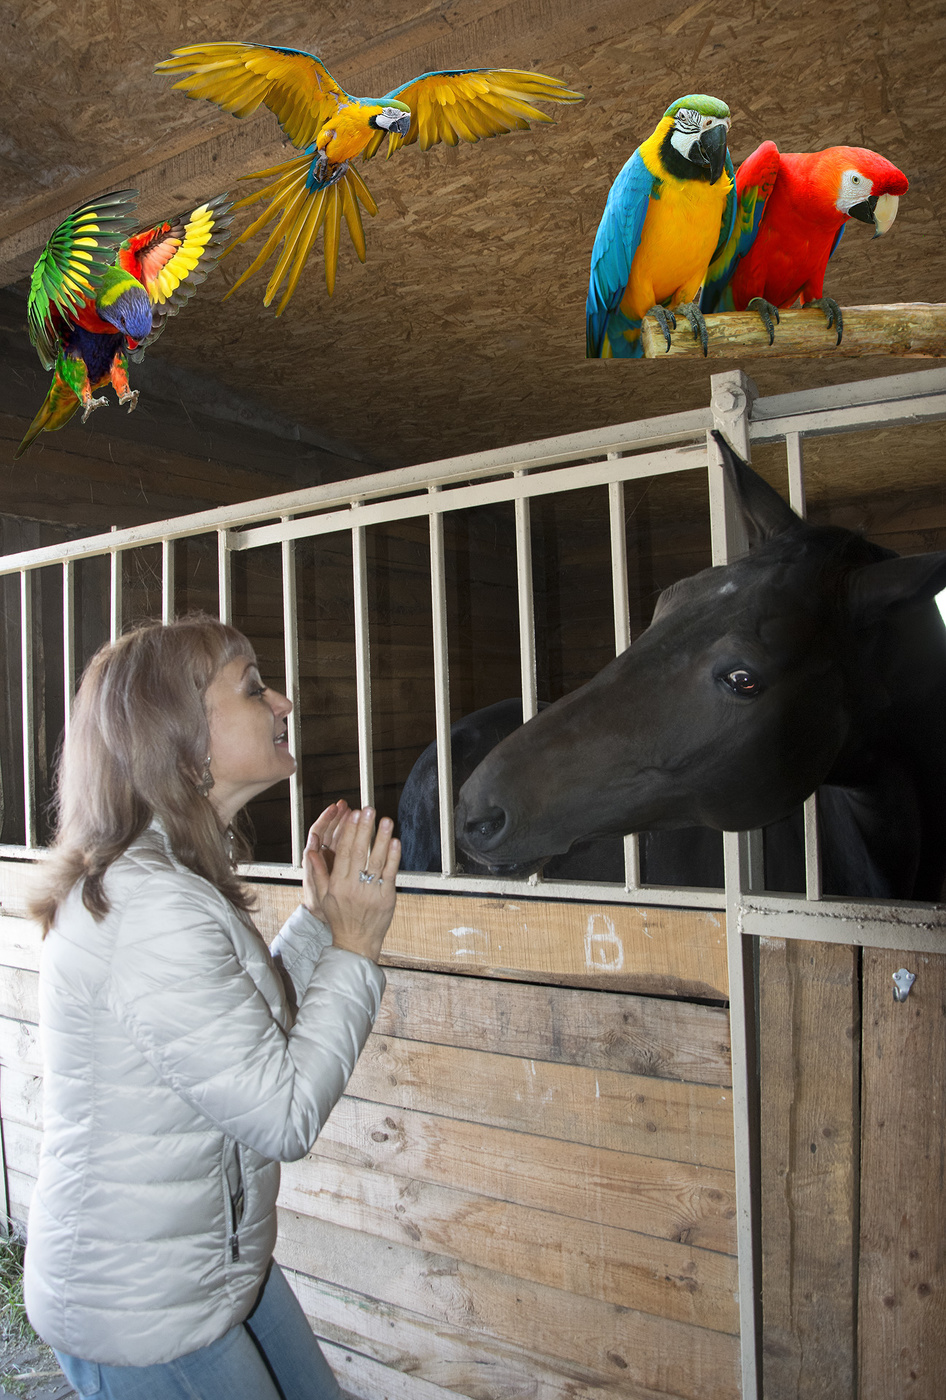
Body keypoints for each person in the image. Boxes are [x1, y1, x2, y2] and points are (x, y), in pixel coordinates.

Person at [24, 616, 401, 1400]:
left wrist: (320, 923)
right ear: (182, 739)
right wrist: (356, 948)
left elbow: (243, 1031)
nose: (283, 703)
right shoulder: (149, 907)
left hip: (207, 1266)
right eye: (254, 688)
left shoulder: (163, 880)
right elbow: (283, 1114)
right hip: (142, 1308)